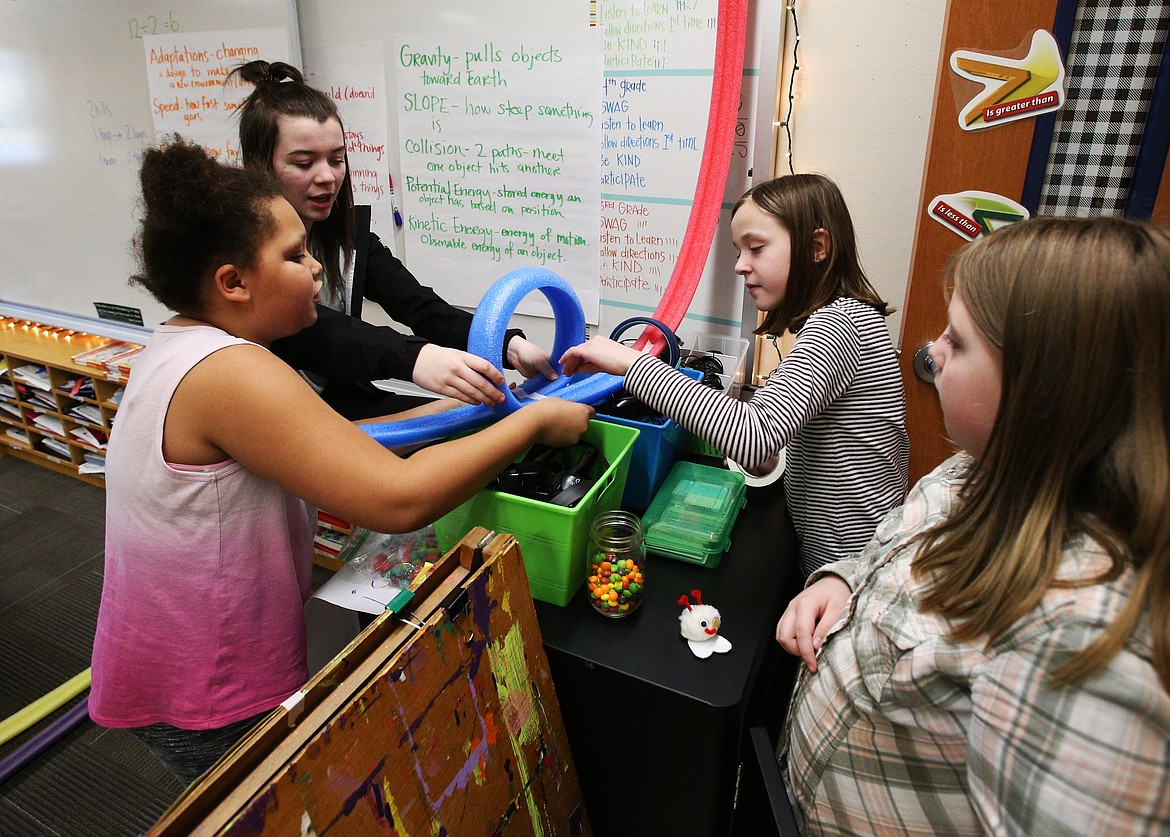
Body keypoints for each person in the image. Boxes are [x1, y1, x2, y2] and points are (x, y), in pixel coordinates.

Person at [87, 137, 592, 785]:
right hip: (208, 683)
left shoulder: (191, 348)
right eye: (295, 255)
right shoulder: (231, 372)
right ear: (233, 281)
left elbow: (343, 439)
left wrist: (478, 409)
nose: (317, 270)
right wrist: (533, 422)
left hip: (178, 659)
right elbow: (396, 497)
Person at [776, 217, 1170, 835]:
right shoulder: (973, 469)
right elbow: (892, 552)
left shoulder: (1079, 645)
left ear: (1045, 388)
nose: (929, 353)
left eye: (957, 343)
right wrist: (845, 581)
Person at [561, 174, 908, 576]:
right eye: (739, 250)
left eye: (756, 248)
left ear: (817, 247)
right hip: (838, 549)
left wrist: (631, 364)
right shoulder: (849, 317)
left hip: (848, 565)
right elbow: (787, 427)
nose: (741, 265)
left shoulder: (837, 326)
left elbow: (753, 434)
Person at [228, 59, 558, 419]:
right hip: (276, 413)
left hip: (340, 401)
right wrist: (415, 358)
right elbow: (317, 334)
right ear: (260, 165)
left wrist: (507, 344)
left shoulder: (349, 238)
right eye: (305, 163)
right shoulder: (244, 252)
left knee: (478, 422)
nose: (327, 177)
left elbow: (420, 307)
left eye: (337, 159)